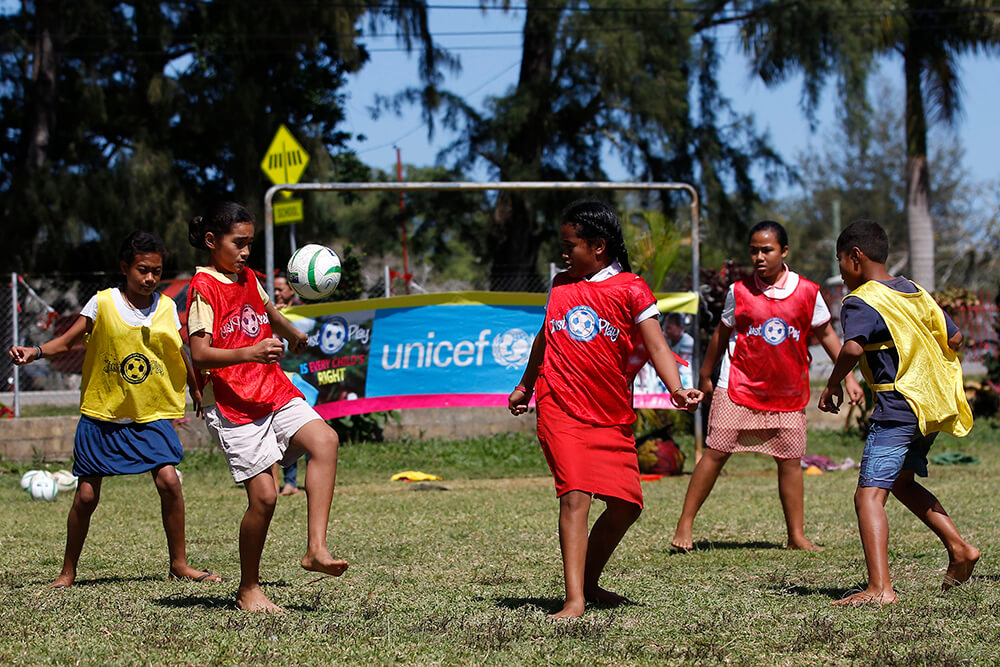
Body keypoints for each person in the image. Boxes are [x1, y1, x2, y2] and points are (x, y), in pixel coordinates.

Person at [509, 201, 703, 619]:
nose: (564, 253)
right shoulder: (560, 285)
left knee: (627, 506)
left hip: (610, 415)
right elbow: (544, 340)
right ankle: (574, 599)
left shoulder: (632, 288)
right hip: (559, 407)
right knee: (575, 497)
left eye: (570, 245)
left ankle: (590, 584)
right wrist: (526, 384)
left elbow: (657, 346)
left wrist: (678, 389)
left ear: (598, 247)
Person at [8, 231, 221, 587]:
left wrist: (196, 387)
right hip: (103, 413)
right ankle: (67, 571)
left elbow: (181, 350)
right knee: (87, 495)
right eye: (142, 269)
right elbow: (66, 342)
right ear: (125, 267)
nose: (150, 277)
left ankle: (179, 564)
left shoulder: (167, 307)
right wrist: (35, 352)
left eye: (156, 270)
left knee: (169, 481)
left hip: (149, 414)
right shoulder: (103, 303)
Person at [187, 202, 347, 613]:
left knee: (325, 440)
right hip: (230, 402)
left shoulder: (249, 278)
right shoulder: (202, 289)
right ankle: (249, 587)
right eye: (237, 243)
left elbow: (267, 311)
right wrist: (252, 351)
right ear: (211, 241)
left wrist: (293, 335)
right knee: (265, 497)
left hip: (270, 388)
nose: (245, 251)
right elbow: (201, 355)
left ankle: (316, 549)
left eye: (250, 244)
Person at [671, 220, 863, 552]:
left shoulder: (808, 292)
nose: (759, 257)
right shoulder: (739, 291)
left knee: (790, 460)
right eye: (754, 251)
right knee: (716, 452)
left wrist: (848, 376)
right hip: (738, 385)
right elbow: (721, 334)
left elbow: (828, 335)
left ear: (784, 251)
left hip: (786, 392)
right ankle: (684, 526)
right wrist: (705, 375)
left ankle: (796, 535)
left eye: (767, 250)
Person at [819, 219, 978, 606]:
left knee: (868, 497)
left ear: (855, 256)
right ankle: (960, 550)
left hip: (895, 409)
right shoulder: (914, 291)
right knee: (902, 483)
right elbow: (954, 337)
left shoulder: (861, 300)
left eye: (841, 261)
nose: (841, 271)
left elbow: (854, 349)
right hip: (927, 407)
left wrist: (834, 382)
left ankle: (880, 589)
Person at [271, 271, 304, 496]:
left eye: (280, 288)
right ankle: (285, 482)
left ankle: (306, 479)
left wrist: (289, 320)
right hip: (277, 379)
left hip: (303, 378)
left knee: (308, 432)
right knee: (282, 433)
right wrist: (276, 318)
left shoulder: (302, 312)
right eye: (273, 289)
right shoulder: (269, 311)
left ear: (291, 290)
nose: (277, 293)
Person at [664, 313, 694, 388]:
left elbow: (680, 362)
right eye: (665, 328)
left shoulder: (687, 340)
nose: (666, 331)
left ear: (680, 328)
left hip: (684, 378)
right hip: (670, 376)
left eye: (669, 328)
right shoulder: (667, 339)